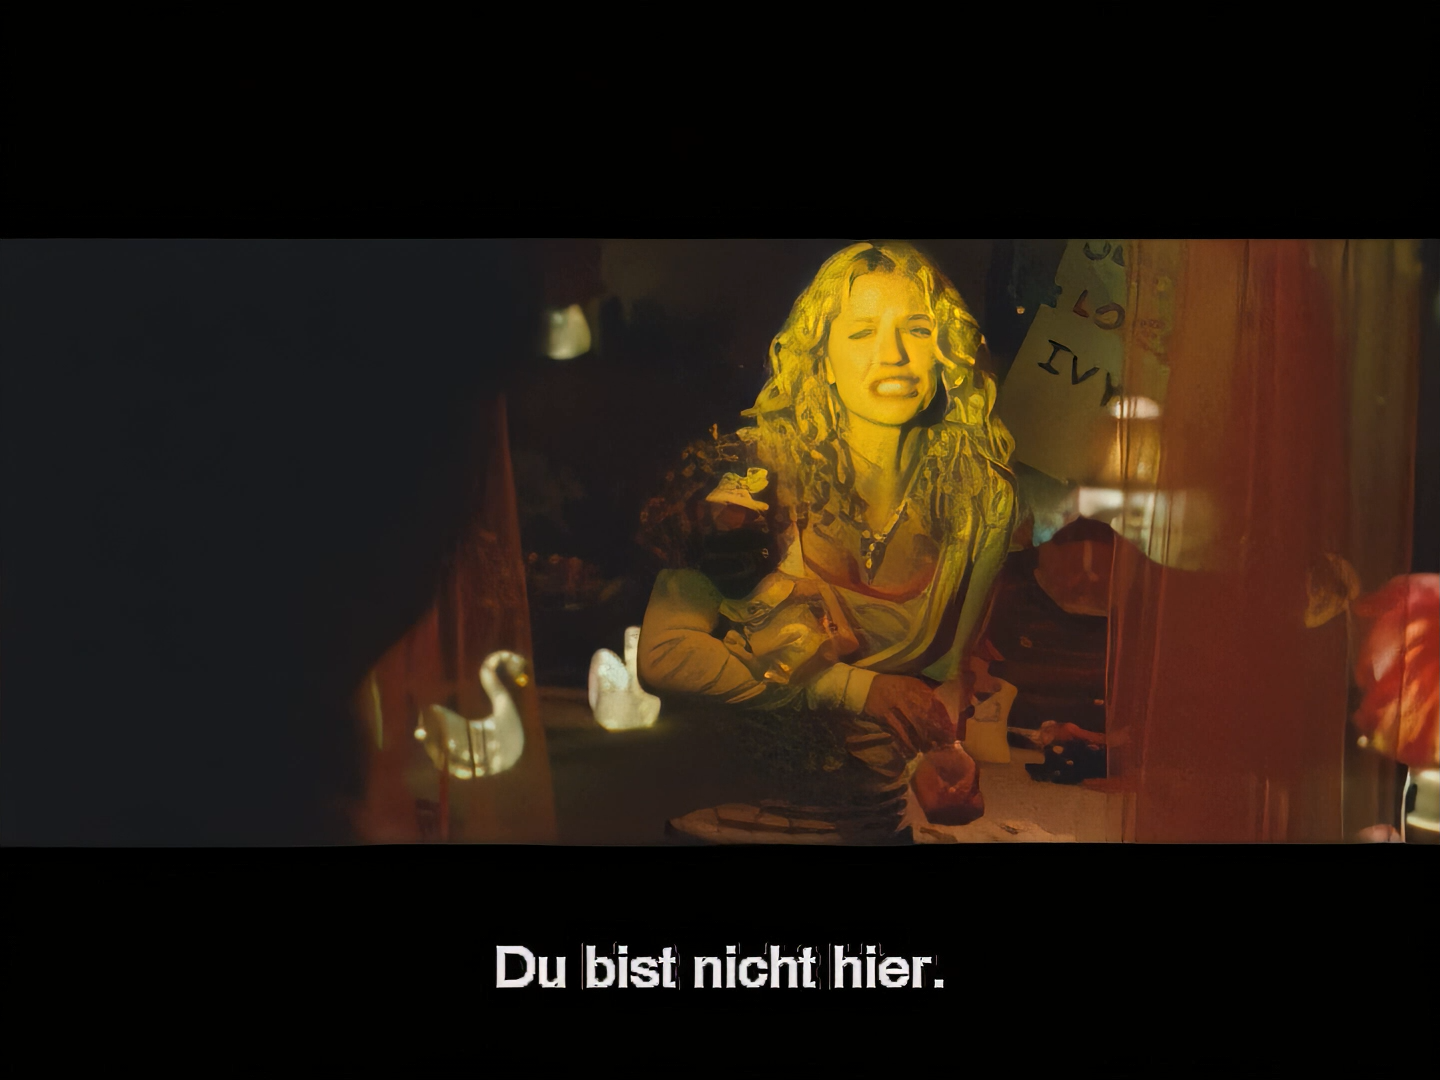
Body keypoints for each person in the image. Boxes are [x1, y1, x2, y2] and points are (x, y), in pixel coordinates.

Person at [635, 242, 1018, 842]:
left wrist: (934, 756)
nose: (893, 355)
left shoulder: (980, 499)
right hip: (727, 822)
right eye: (862, 332)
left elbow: (939, 681)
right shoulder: (752, 477)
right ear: (822, 358)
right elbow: (663, 655)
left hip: (874, 825)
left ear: (948, 351)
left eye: (918, 330)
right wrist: (855, 690)